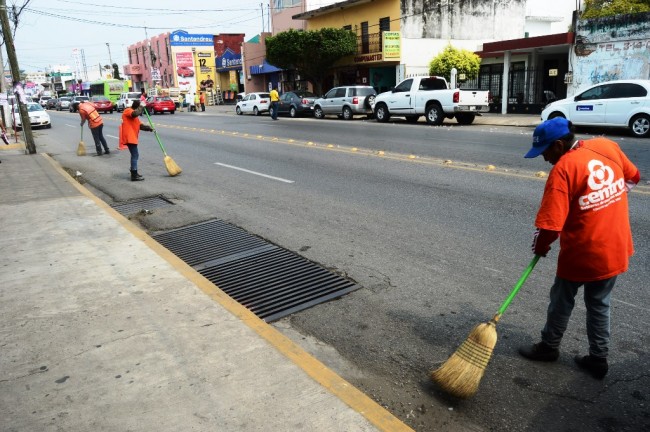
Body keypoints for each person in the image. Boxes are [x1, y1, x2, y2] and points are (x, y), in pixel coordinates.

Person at [518, 117, 640, 380]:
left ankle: (549, 347)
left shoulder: (563, 170)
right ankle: (598, 359)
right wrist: (606, 203)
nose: (545, 159)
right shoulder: (606, 146)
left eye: (546, 151)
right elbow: (634, 177)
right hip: (616, 245)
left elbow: (550, 227)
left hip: (583, 251)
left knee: (562, 299)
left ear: (559, 146)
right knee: (599, 304)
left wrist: (540, 247)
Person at [120, 100, 154, 181]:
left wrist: (150, 129)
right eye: (140, 108)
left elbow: (140, 126)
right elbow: (135, 114)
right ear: (138, 107)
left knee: (135, 155)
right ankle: (134, 174)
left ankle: (134, 172)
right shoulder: (128, 111)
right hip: (129, 137)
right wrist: (142, 106)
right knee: (135, 155)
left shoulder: (135, 116)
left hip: (132, 137)